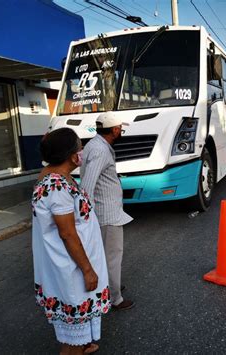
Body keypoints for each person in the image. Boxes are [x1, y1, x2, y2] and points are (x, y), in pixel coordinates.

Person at [32, 128, 110, 355]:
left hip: (72, 267)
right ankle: (77, 346)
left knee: (79, 325)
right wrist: (88, 270)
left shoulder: (56, 176)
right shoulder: (55, 187)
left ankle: (83, 342)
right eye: (79, 147)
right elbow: (67, 233)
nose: (82, 151)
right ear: (71, 156)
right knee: (71, 343)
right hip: (72, 271)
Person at [80, 112, 134, 310]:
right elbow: (87, 185)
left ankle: (112, 285)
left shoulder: (95, 145)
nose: (122, 132)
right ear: (115, 130)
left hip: (106, 212)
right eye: (121, 129)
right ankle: (115, 298)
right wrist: (88, 216)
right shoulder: (100, 150)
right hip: (106, 215)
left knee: (105, 255)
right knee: (112, 256)